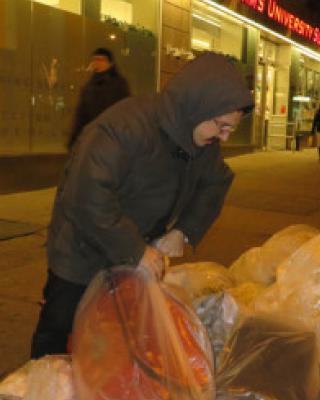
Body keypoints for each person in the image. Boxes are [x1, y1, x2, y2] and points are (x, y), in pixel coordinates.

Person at [30, 52, 254, 358]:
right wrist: (135, 250)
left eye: (231, 129)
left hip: (133, 253)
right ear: (198, 107)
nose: (225, 137)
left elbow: (216, 183)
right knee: (60, 327)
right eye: (222, 125)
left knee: (111, 333)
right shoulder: (124, 128)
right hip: (81, 250)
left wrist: (184, 231)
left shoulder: (201, 142)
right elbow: (86, 195)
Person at [67, 48, 130, 149]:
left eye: (101, 60)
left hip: (113, 139)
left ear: (110, 63)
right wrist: (74, 140)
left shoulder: (119, 85)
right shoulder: (89, 87)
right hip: (93, 139)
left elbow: (126, 113)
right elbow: (81, 115)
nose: (97, 63)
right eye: (95, 60)